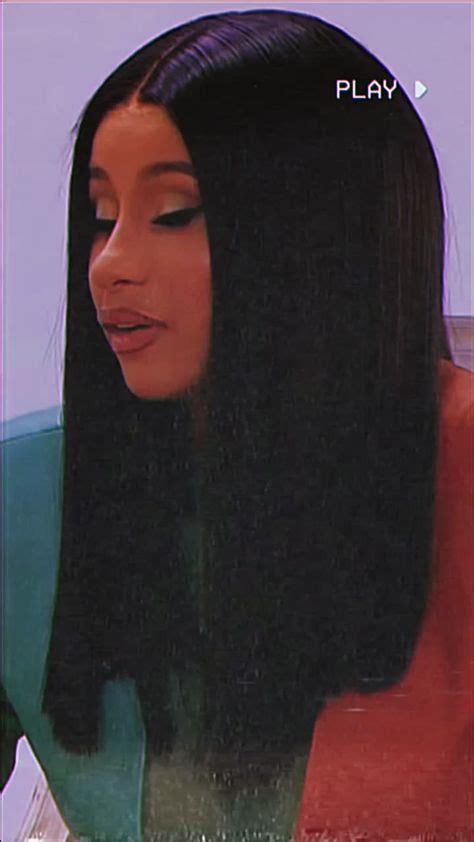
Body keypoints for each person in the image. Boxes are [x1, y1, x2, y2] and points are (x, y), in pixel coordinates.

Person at [2, 8, 473, 840]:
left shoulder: (460, 472)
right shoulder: (22, 497)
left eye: (174, 212)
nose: (110, 265)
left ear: (325, 233)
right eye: (102, 217)